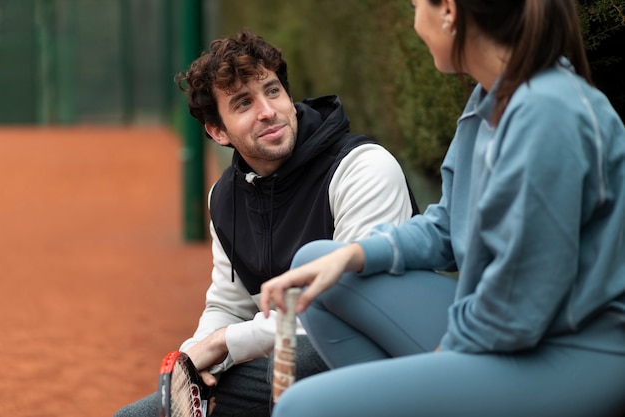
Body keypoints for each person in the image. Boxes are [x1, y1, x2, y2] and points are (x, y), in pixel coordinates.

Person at [260, 0, 625, 416]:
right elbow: (448, 226)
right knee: (319, 267)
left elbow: (519, 304)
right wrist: (354, 253)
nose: (415, 22)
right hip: (511, 328)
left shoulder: (548, 112)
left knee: (303, 406)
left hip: (573, 353)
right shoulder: (491, 100)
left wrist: (444, 357)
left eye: (416, 6)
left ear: (448, 10)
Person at [113, 30, 418, 417]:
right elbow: (229, 303)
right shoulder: (224, 198)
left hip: (386, 358)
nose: (267, 111)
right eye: (244, 103)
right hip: (288, 362)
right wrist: (196, 357)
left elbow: (346, 311)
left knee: (292, 363)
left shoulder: (362, 168)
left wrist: (225, 343)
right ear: (218, 132)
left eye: (272, 91)